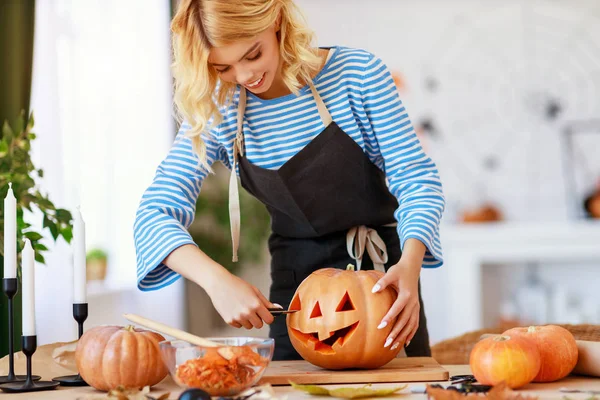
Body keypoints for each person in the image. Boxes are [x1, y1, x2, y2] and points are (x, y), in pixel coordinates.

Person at [134, 0, 445, 361]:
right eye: (223, 67)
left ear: (276, 22)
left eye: (253, 54)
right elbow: (153, 214)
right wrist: (216, 281)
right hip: (293, 291)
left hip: (382, 279)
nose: (245, 76)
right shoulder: (218, 107)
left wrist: (408, 266)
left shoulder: (357, 74)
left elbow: (417, 179)